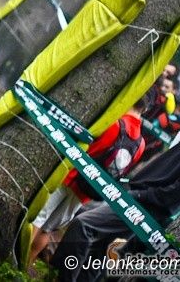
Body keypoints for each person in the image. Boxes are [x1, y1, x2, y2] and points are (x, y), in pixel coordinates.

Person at [50, 103, 180, 282]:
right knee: (102, 250)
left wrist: (143, 195)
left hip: (146, 206)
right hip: (140, 197)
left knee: (83, 225)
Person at [27, 94, 149, 266]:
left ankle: (14, 261)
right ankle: (26, 265)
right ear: (145, 109)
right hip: (87, 191)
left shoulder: (114, 122)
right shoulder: (141, 144)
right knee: (48, 228)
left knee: (38, 218)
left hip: (70, 176)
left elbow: (88, 148)